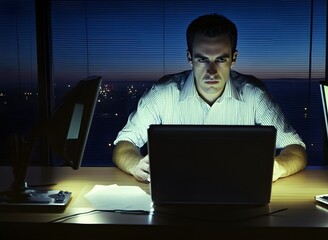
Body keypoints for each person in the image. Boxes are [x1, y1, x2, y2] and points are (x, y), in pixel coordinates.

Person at [112, 13, 307, 183]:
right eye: (203, 59)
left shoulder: (254, 95)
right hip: (176, 193)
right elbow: (123, 144)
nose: (211, 71)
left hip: (238, 191)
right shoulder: (163, 94)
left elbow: (296, 149)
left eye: (221, 59)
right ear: (190, 58)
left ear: (234, 58)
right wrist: (136, 165)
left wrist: (277, 168)